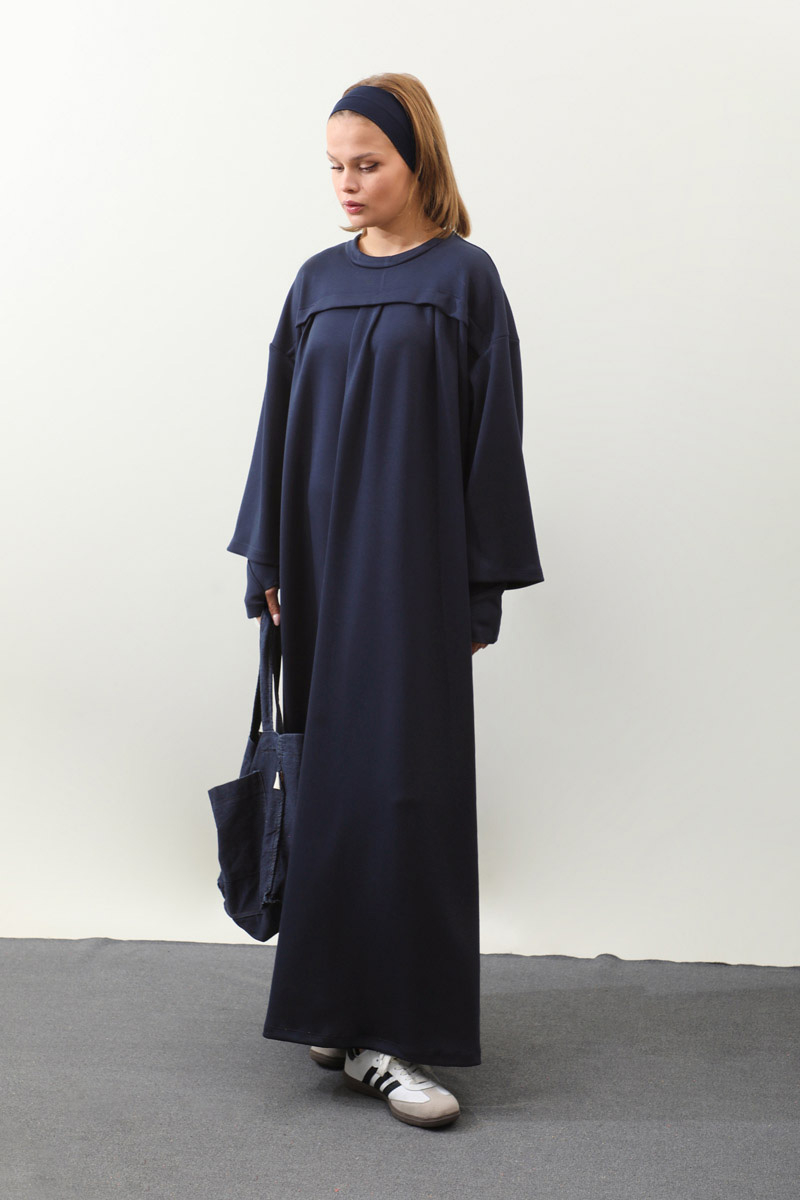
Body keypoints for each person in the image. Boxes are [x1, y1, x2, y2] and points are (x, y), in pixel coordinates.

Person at [225, 73, 544, 1130]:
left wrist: (478, 591)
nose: (347, 184)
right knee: (333, 790)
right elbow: (277, 422)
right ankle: (339, 1014)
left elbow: (493, 438)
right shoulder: (314, 282)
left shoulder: (464, 279)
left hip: (412, 578)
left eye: (367, 163)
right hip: (317, 578)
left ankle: (390, 1033)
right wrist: (267, 559)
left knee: (406, 793)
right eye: (335, 166)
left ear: (418, 162)